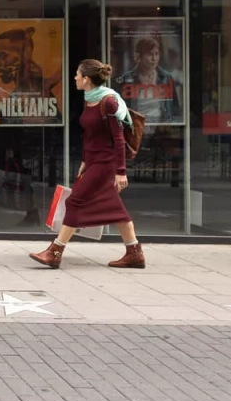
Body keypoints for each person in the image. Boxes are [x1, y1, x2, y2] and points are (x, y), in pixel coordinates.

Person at [30, 59, 145, 270]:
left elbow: (118, 139)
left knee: (74, 201)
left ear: (87, 79)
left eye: (77, 74)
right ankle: (134, 252)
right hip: (93, 161)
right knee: (114, 206)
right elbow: (90, 134)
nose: (74, 78)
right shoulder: (89, 99)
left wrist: (120, 172)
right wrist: (85, 159)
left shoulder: (108, 102)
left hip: (106, 162)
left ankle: (55, 251)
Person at [115, 37, 182, 124]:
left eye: (156, 54)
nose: (154, 58)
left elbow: (175, 108)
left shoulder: (166, 78)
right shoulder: (127, 79)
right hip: (135, 128)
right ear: (140, 56)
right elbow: (120, 109)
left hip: (162, 129)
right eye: (150, 54)